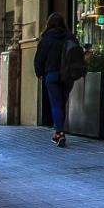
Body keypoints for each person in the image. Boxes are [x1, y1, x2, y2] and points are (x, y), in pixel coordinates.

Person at [33, 13, 75, 148]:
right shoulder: (70, 37)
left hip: (51, 75)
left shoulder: (46, 39)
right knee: (62, 103)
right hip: (67, 75)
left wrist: (39, 73)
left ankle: (59, 133)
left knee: (56, 104)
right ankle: (59, 131)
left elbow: (39, 59)